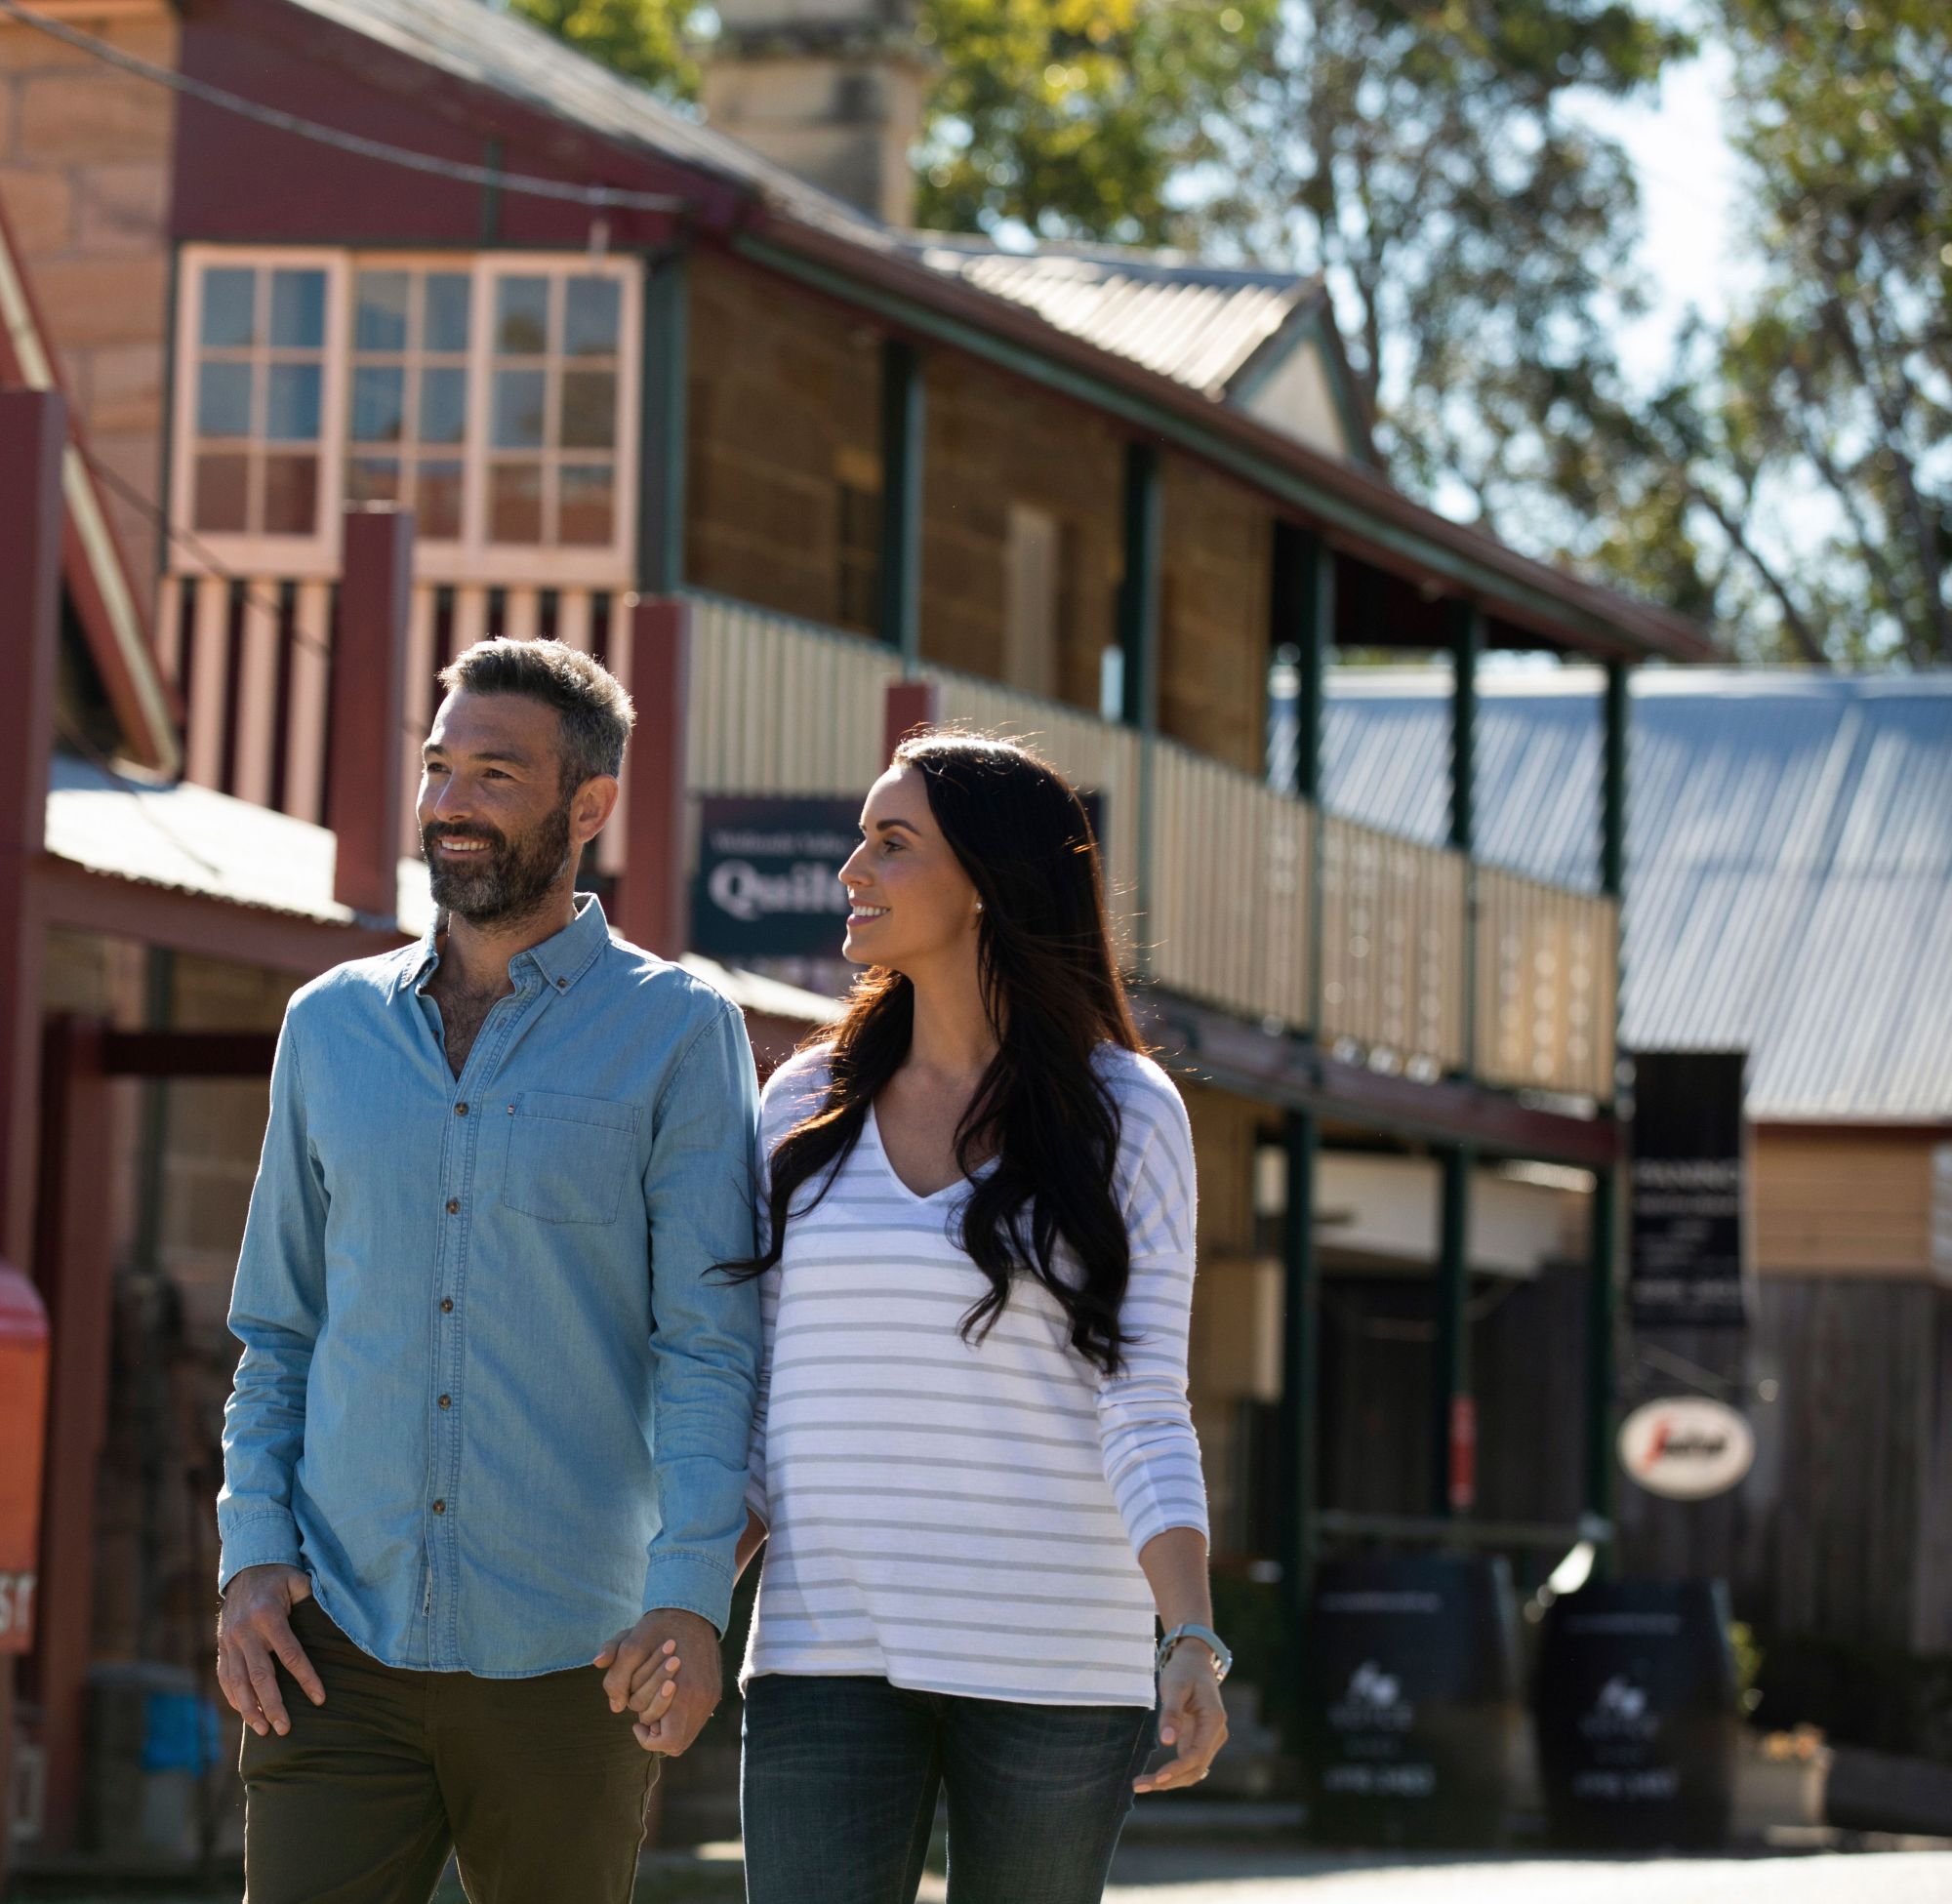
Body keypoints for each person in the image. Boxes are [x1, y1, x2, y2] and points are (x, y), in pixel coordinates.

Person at [630, 732, 1228, 1903]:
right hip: (822, 1649)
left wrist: (1190, 1636)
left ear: (987, 886)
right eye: (858, 839)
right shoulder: (802, 1104)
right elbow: (760, 1399)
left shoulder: (1126, 1114)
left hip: (1057, 1662)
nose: (851, 869)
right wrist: (683, 1601)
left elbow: (1143, 1404)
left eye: (890, 844)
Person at [214, 638, 760, 1904]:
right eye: (438, 765)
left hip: (576, 1654)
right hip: (333, 1645)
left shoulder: (680, 1032)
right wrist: (250, 1559)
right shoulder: (328, 1025)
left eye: (495, 773)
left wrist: (688, 1598)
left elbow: (709, 1344)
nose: (450, 801)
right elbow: (277, 1330)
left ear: (590, 805)